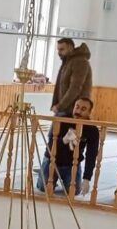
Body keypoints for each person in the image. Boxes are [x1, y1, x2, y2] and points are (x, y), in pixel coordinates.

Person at [38, 38, 93, 192]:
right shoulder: (68, 62)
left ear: (70, 47)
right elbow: (61, 87)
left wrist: (60, 105)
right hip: (64, 110)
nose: (59, 52)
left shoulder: (80, 62)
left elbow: (75, 88)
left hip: (71, 112)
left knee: (70, 145)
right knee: (54, 142)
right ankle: (48, 169)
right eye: (58, 49)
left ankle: (64, 173)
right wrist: (57, 104)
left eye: (61, 49)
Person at [52, 96, 100, 196]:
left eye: (83, 109)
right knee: (43, 187)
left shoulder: (92, 130)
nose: (78, 111)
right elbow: (49, 146)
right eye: (77, 107)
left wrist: (87, 178)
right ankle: (43, 171)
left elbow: (91, 155)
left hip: (72, 164)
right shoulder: (61, 120)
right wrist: (64, 140)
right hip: (53, 161)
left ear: (89, 113)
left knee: (74, 191)